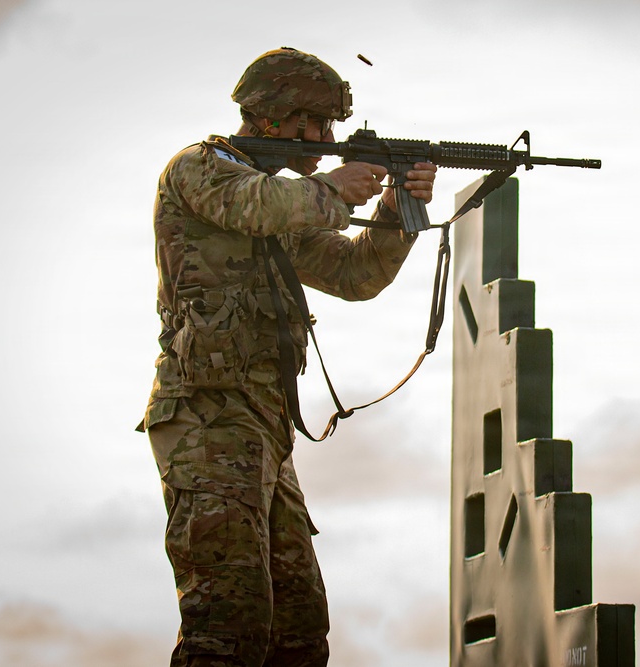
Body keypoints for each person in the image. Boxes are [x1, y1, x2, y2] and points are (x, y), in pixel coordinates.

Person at [137, 47, 437, 666]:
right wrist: (334, 185)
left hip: (263, 428)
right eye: (319, 125)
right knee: (228, 624)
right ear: (275, 119)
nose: (327, 140)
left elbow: (353, 274)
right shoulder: (201, 169)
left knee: (299, 629)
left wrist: (392, 209)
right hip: (207, 419)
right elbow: (255, 205)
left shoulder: (283, 199)